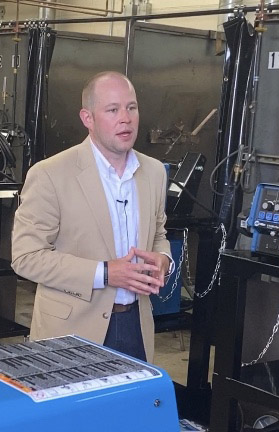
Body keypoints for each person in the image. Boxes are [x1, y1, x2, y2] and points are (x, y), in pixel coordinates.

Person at [11, 71, 173, 362]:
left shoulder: (154, 172)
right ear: (88, 118)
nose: (126, 118)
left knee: (128, 408)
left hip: (136, 326)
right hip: (69, 331)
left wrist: (164, 259)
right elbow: (26, 257)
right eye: (113, 110)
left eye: (131, 107)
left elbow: (159, 234)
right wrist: (106, 272)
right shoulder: (50, 174)